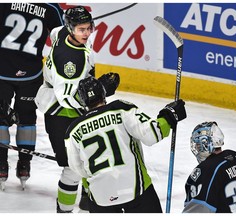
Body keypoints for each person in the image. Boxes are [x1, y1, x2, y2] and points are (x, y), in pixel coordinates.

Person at [34, 5, 120, 213]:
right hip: (62, 115)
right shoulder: (70, 63)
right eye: (82, 29)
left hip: (72, 111)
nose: (87, 33)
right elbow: (68, 99)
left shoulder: (64, 32)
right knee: (73, 169)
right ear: (71, 28)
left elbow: (55, 33)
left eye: (89, 27)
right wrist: (101, 91)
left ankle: (87, 201)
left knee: (90, 162)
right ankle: (64, 210)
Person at [64, 76, 187, 213]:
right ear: (103, 93)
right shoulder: (121, 109)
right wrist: (169, 116)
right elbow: (152, 134)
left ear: (83, 101)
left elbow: (77, 168)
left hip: (101, 198)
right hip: (135, 191)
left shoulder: (73, 130)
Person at [0, 3, 64, 189]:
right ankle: (25, 164)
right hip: (31, 74)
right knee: (27, 118)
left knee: (0, 118)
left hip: (2, 71)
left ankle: (1, 165)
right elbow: (63, 37)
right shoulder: (50, 7)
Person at [182, 121, 236, 213]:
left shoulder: (205, 169)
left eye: (198, 144)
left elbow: (198, 210)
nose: (196, 148)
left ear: (205, 144)